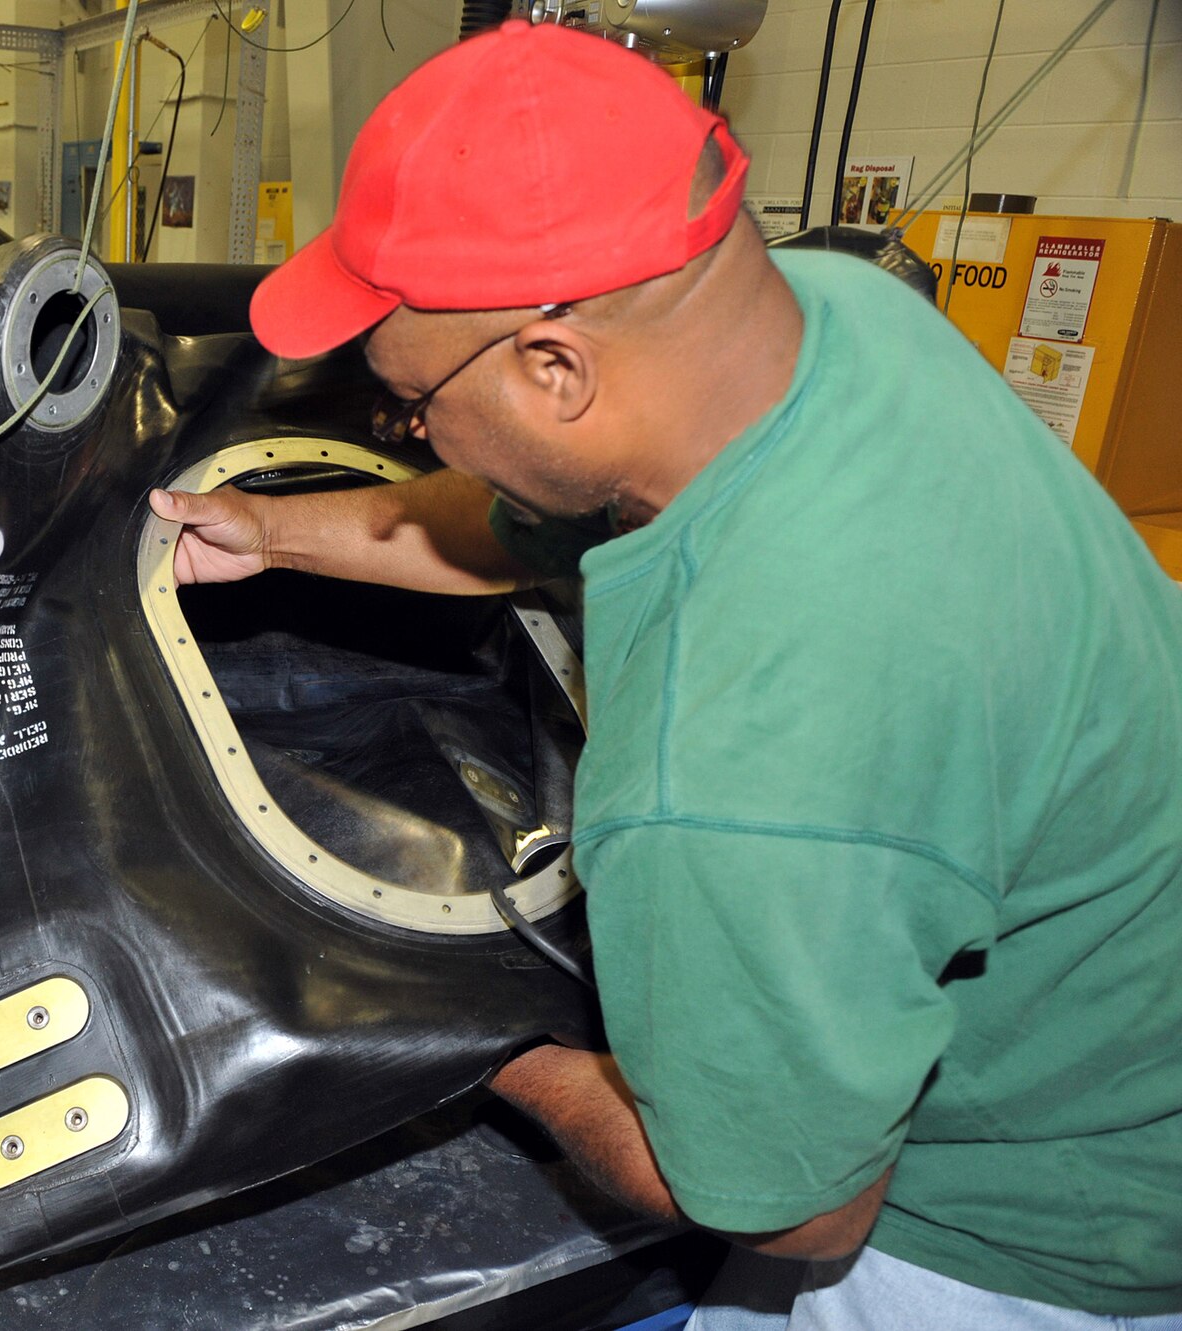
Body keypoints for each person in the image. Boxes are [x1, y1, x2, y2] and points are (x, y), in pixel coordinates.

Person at [146, 22, 1182, 1329]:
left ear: (555, 366)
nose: (414, 435)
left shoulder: (734, 753)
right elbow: (525, 524)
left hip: (1026, 1238)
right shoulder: (837, 325)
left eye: (410, 409)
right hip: (1113, 1012)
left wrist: (488, 1041)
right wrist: (277, 532)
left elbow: (787, 1208)